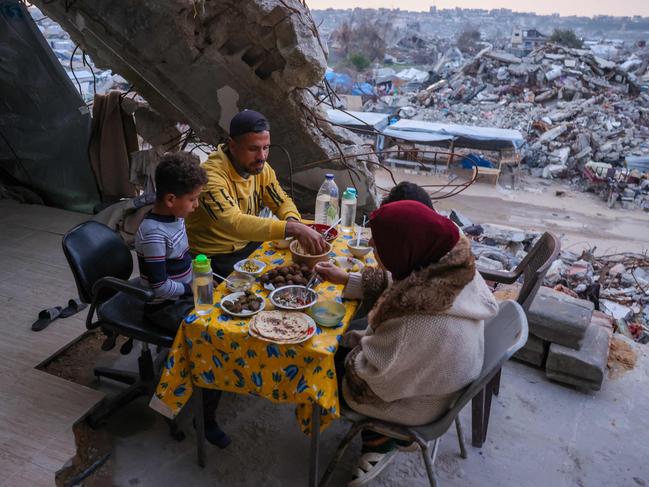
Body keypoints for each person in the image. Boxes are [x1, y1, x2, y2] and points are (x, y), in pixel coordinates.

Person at [315, 201, 498, 485]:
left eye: (378, 249)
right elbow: (407, 285)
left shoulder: (416, 322)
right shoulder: (453, 269)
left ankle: (381, 438)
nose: (375, 255)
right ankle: (380, 438)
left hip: (419, 403)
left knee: (321, 361)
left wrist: (348, 345)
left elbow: (367, 378)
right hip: (444, 376)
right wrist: (349, 279)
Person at [135, 152, 231, 449]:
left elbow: (183, 258)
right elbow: (159, 287)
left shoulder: (174, 218)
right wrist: (192, 288)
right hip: (163, 306)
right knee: (215, 337)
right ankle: (205, 417)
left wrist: (203, 272)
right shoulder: (152, 233)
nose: (196, 205)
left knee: (231, 304)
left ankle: (218, 381)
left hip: (184, 291)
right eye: (193, 200)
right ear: (171, 199)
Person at [185, 110, 327, 278]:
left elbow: (281, 201)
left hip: (248, 245)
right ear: (232, 145)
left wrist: (292, 220)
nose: (262, 157)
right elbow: (234, 223)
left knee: (301, 271)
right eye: (253, 149)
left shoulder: (260, 168)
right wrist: (295, 228)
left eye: (265, 148)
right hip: (214, 257)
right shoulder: (211, 177)